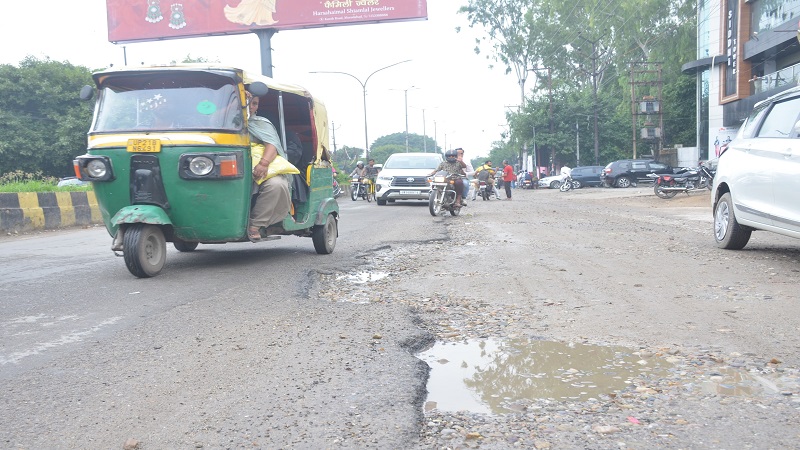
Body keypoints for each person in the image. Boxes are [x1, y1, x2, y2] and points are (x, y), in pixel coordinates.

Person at [246, 90, 292, 242]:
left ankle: (255, 225)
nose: (250, 106)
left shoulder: (260, 123)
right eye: (247, 102)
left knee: (277, 184)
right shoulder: (220, 120)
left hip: (258, 167)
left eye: (254, 103)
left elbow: (272, 145)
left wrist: (263, 164)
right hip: (231, 168)